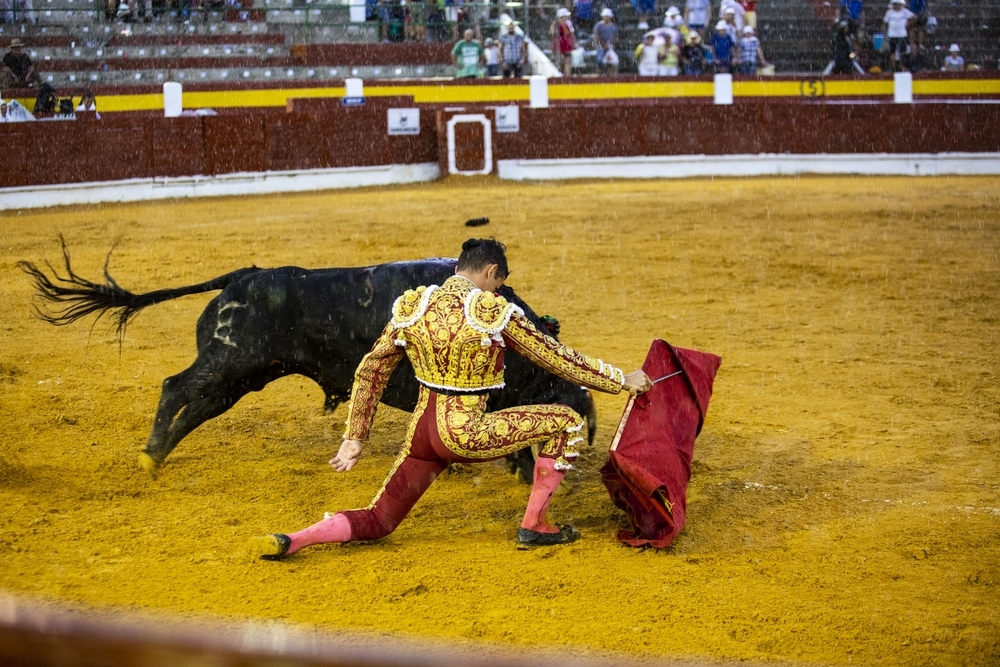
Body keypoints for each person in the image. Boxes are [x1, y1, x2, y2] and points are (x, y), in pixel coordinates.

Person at [252, 239, 652, 558]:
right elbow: (555, 357)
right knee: (568, 421)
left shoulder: (413, 306)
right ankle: (536, 525)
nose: (499, 290)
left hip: (422, 437)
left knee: (380, 519)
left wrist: (355, 435)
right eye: (498, 282)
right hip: (466, 432)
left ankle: (296, 538)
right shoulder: (492, 311)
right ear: (491, 273)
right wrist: (620, 380)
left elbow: (371, 369)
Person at [882, 0, 913, 71]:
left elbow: (914, 17)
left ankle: (901, 66)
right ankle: (893, 68)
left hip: (902, 34)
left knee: (902, 52)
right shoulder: (889, 12)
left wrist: (908, 23)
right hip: (892, 34)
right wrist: (884, 32)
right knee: (892, 52)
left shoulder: (905, 11)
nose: (896, 6)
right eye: (895, 4)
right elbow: (884, 23)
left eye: (898, 4)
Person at [550, 7, 576, 77]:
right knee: (561, 60)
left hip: (566, 43)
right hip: (559, 44)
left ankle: (567, 75)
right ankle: (560, 73)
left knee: (568, 60)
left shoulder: (568, 23)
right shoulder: (556, 24)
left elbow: (571, 33)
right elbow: (552, 33)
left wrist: (574, 43)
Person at [593, 8, 619, 75]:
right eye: (605, 16)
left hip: (610, 46)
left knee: (610, 62)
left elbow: (615, 36)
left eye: (608, 16)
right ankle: (598, 76)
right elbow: (596, 35)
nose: (606, 18)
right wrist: (603, 44)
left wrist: (610, 44)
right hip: (600, 46)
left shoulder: (613, 26)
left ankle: (609, 76)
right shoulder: (598, 25)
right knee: (599, 61)